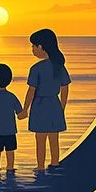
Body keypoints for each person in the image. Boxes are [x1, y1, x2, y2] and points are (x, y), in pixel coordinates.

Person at [23, 28, 70, 170]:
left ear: (41, 47)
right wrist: (62, 107)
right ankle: (54, 162)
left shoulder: (36, 68)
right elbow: (65, 87)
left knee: (40, 138)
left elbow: (31, 91)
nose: (32, 49)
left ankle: (40, 166)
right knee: (54, 138)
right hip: (54, 104)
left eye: (33, 46)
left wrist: (25, 109)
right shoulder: (58, 66)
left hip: (40, 106)